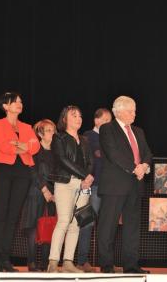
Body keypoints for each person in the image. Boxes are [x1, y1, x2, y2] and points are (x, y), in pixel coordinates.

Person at [0, 92, 40, 272]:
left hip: (22, 172)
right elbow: (2, 145)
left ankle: (4, 260)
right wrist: (23, 146)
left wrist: (22, 145)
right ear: (5, 106)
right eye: (15, 102)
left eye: (20, 101)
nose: (19, 104)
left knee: (13, 217)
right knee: (0, 215)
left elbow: (36, 146)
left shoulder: (27, 126)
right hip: (1, 171)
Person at [98, 96, 152, 274]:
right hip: (114, 185)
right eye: (130, 111)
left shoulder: (139, 131)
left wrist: (145, 165)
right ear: (118, 111)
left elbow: (147, 153)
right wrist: (134, 168)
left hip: (135, 186)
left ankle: (131, 266)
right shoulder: (107, 129)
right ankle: (107, 265)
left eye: (135, 110)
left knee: (133, 227)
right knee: (108, 226)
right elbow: (113, 154)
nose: (134, 114)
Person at [47, 106, 94, 273]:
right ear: (64, 119)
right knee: (64, 220)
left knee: (77, 223)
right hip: (65, 183)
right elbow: (62, 160)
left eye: (80, 115)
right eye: (74, 115)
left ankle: (68, 262)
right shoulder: (58, 137)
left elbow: (90, 162)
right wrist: (84, 175)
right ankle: (53, 262)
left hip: (84, 185)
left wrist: (87, 178)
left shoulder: (85, 140)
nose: (79, 118)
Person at [76, 108, 112, 272]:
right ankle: (82, 260)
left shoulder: (111, 137)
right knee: (87, 223)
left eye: (109, 121)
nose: (108, 123)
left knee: (107, 225)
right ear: (96, 120)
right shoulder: (88, 136)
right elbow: (88, 159)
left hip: (109, 187)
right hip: (92, 186)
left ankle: (106, 262)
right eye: (105, 119)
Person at [20, 119, 57, 272]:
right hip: (36, 192)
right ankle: (32, 262)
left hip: (53, 194)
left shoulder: (56, 151)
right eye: (48, 130)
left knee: (49, 226)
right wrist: (44, 190)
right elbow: (32, 171)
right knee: (33, 228)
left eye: (53, 130)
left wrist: (54, 192)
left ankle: (45, 263)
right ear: (40, 134)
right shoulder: (34, 149)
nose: (52, 133)